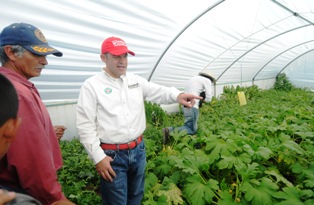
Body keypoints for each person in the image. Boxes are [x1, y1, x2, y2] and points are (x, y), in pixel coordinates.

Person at [76, 36, 202, 205]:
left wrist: (177, 95)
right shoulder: (92, 85)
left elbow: (157, 91)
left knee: (136, 197)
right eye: (116, 57)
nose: (122, 61)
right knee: (116, 202)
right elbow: (85, 125)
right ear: (103, 58)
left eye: (125, 56)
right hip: (112, 156)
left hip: (138, 151)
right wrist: (98, 157)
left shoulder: (134, 80)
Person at [0, 23, 75, 205]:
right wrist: (55, 198)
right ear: (10, 52)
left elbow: (19, 142)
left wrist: (47, 133)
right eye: (37, 54)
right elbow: (31, 166)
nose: (45, 61)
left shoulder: (15, 86)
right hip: (25, 194)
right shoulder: (19, 94)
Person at [162, 71, 215, 145]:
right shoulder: (207, 80)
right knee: (191, 129)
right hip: (193, 105)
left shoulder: (194, 79)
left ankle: (194, 144)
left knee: (189, 126)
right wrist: (204, 100)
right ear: (210, 78)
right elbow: (209, 98)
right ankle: (170, 130)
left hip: (186, 105)